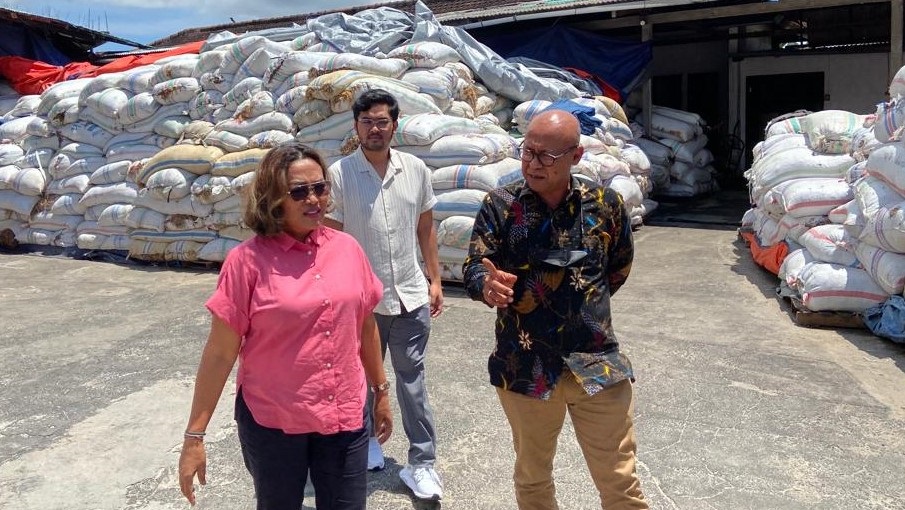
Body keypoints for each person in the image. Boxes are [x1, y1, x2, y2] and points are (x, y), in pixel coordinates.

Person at [178, 142, 393, 510]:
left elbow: (365, 325)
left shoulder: (347, 249)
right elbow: (220, 353)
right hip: (274, 421)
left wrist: (381, 390)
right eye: (299, 191)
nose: (314, 199)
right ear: (274, 198)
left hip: (344, 414)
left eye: (320, 188)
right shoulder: (245, 263)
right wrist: (194, 436)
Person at [462, 109, 648, 510]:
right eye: (527, 151)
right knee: (533, 480)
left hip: (595, 363)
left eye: (546, 155)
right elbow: (476, 264)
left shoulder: (605, 205)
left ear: (576, 156)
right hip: (526, 367)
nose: (532, 163)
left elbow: (618, 267)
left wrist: (581, 303)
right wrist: (486, 286)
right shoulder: (501, 205)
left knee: (621, 483)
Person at [324, 88, 444, 501]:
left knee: (412, 382)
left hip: (410, 294)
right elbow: (332, 238)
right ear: (355, 126)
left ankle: (422, 463)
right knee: (358, 379)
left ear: (395, 125)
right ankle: (369, 443)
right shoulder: (339, 175)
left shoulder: (416, 169)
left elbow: (425, 228)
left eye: (382, 122)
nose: (375, 129)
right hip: (361, 301)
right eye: (366, 122)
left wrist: (435, 278)